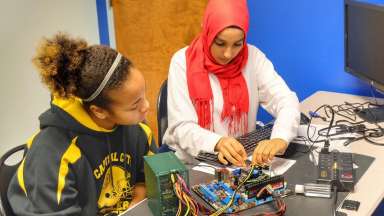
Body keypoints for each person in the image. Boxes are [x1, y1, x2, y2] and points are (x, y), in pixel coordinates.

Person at [7, 33, 157, 215]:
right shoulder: (52, 155)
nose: (146, 107)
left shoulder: (138, 130)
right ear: (99, 111)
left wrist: (136, 200)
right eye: (135, 105)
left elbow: (148, 175)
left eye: (144, 95)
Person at [163, 0, 300, 166]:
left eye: (237, 44)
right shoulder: (182, 62)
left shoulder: (253, 58)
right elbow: (181, 127)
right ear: (207, 31)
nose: (228, 54)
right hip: (193, 162)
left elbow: (286, 100)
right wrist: (217, 142)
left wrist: (280, 138)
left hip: (238, 160)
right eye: (220, 43)